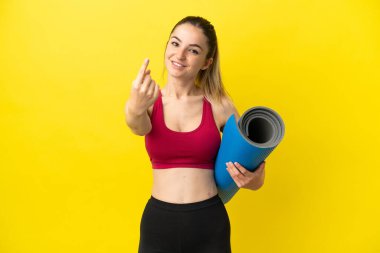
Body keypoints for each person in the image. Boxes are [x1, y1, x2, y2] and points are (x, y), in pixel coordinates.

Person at [125, 16, 266, 253]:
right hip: (159, 224)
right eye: (175, 43)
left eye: (193, 50)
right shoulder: (148, 102)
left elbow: (253, 166)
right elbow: (136, 126)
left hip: (209, 223)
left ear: (206, 62)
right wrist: (134, 107)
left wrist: (254, 180)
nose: (179, 56)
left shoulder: (220, 105)